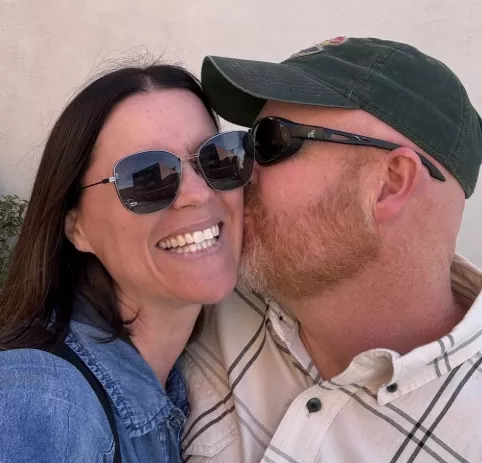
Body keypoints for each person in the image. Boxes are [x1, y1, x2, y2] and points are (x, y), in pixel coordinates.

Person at [181, 37, 482, 463]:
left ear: (390, 183)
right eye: (244, 145)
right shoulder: (207, 296)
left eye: (270, 142)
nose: (240, 170)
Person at [0, 63, 254, 463]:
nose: (199, 194)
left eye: (216, 159)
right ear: (76, 227)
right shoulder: (44, 404)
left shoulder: (183, 385)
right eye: (147, 177)